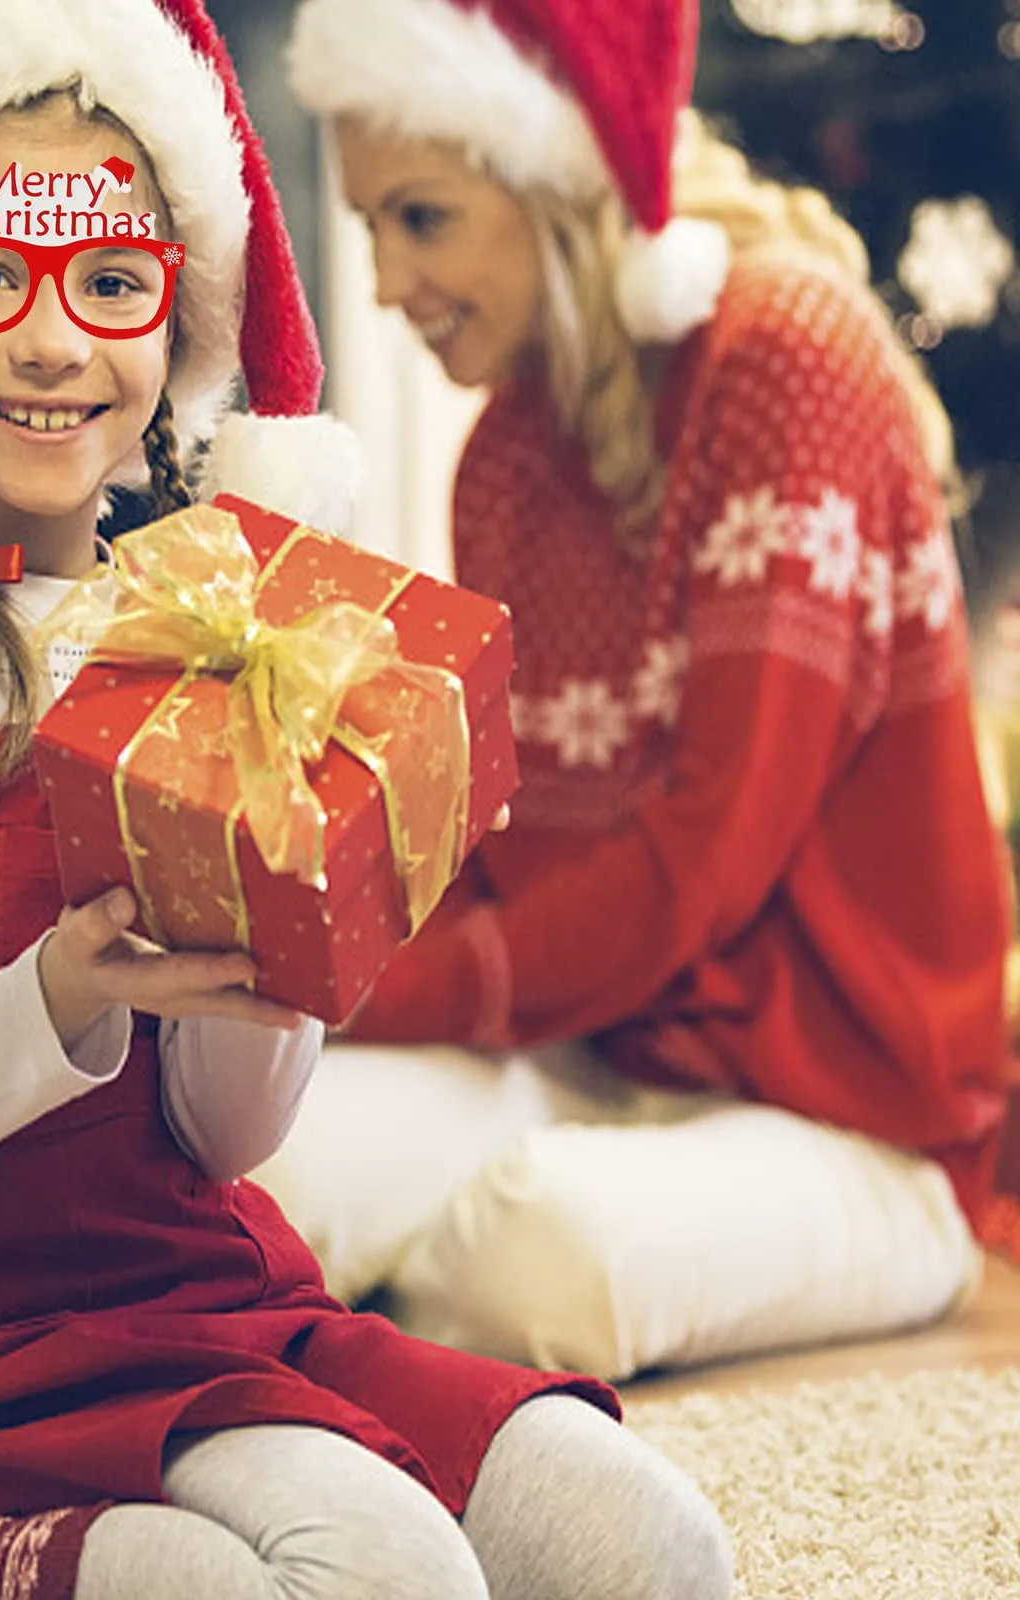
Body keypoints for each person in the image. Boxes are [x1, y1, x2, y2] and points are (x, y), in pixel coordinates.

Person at [0, 3, 734, 1598]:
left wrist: (301, 916)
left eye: (111, 286)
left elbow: (223, 1138)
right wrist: (62, 986)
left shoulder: (200, 621)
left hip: (204, 1290)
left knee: (645, 1538)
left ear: (172, 326)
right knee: (365, 1573)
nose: (55, 344)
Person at [256, 0, 1013, 1383]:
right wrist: (311, 943)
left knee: (548, 1251)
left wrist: (365, 992)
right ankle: (347, 1318)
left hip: (861, 1125)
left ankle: (355, 1334)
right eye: (369, 226)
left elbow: (695, 864)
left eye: (421, 219)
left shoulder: (787, 363)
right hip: (606, 1053)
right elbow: (507, 846)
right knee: (261, 1173)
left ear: (561, 181)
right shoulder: (501, 458)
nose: (380, 281)